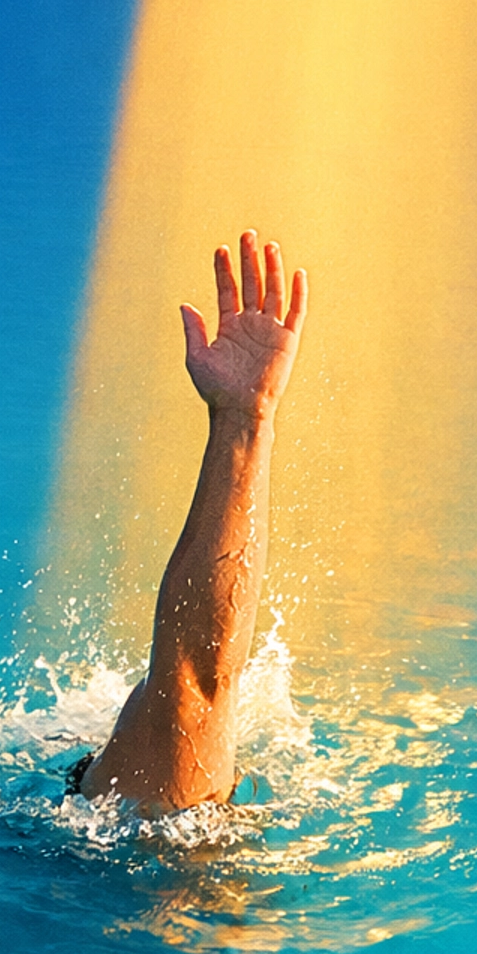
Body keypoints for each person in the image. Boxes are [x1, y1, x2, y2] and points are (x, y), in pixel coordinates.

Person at [72, 229, 307, 811]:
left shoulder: (142, 806)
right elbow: (197, 679)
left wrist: (243, 419)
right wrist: (247, 422)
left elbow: (195, 683)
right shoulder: (173, 808)